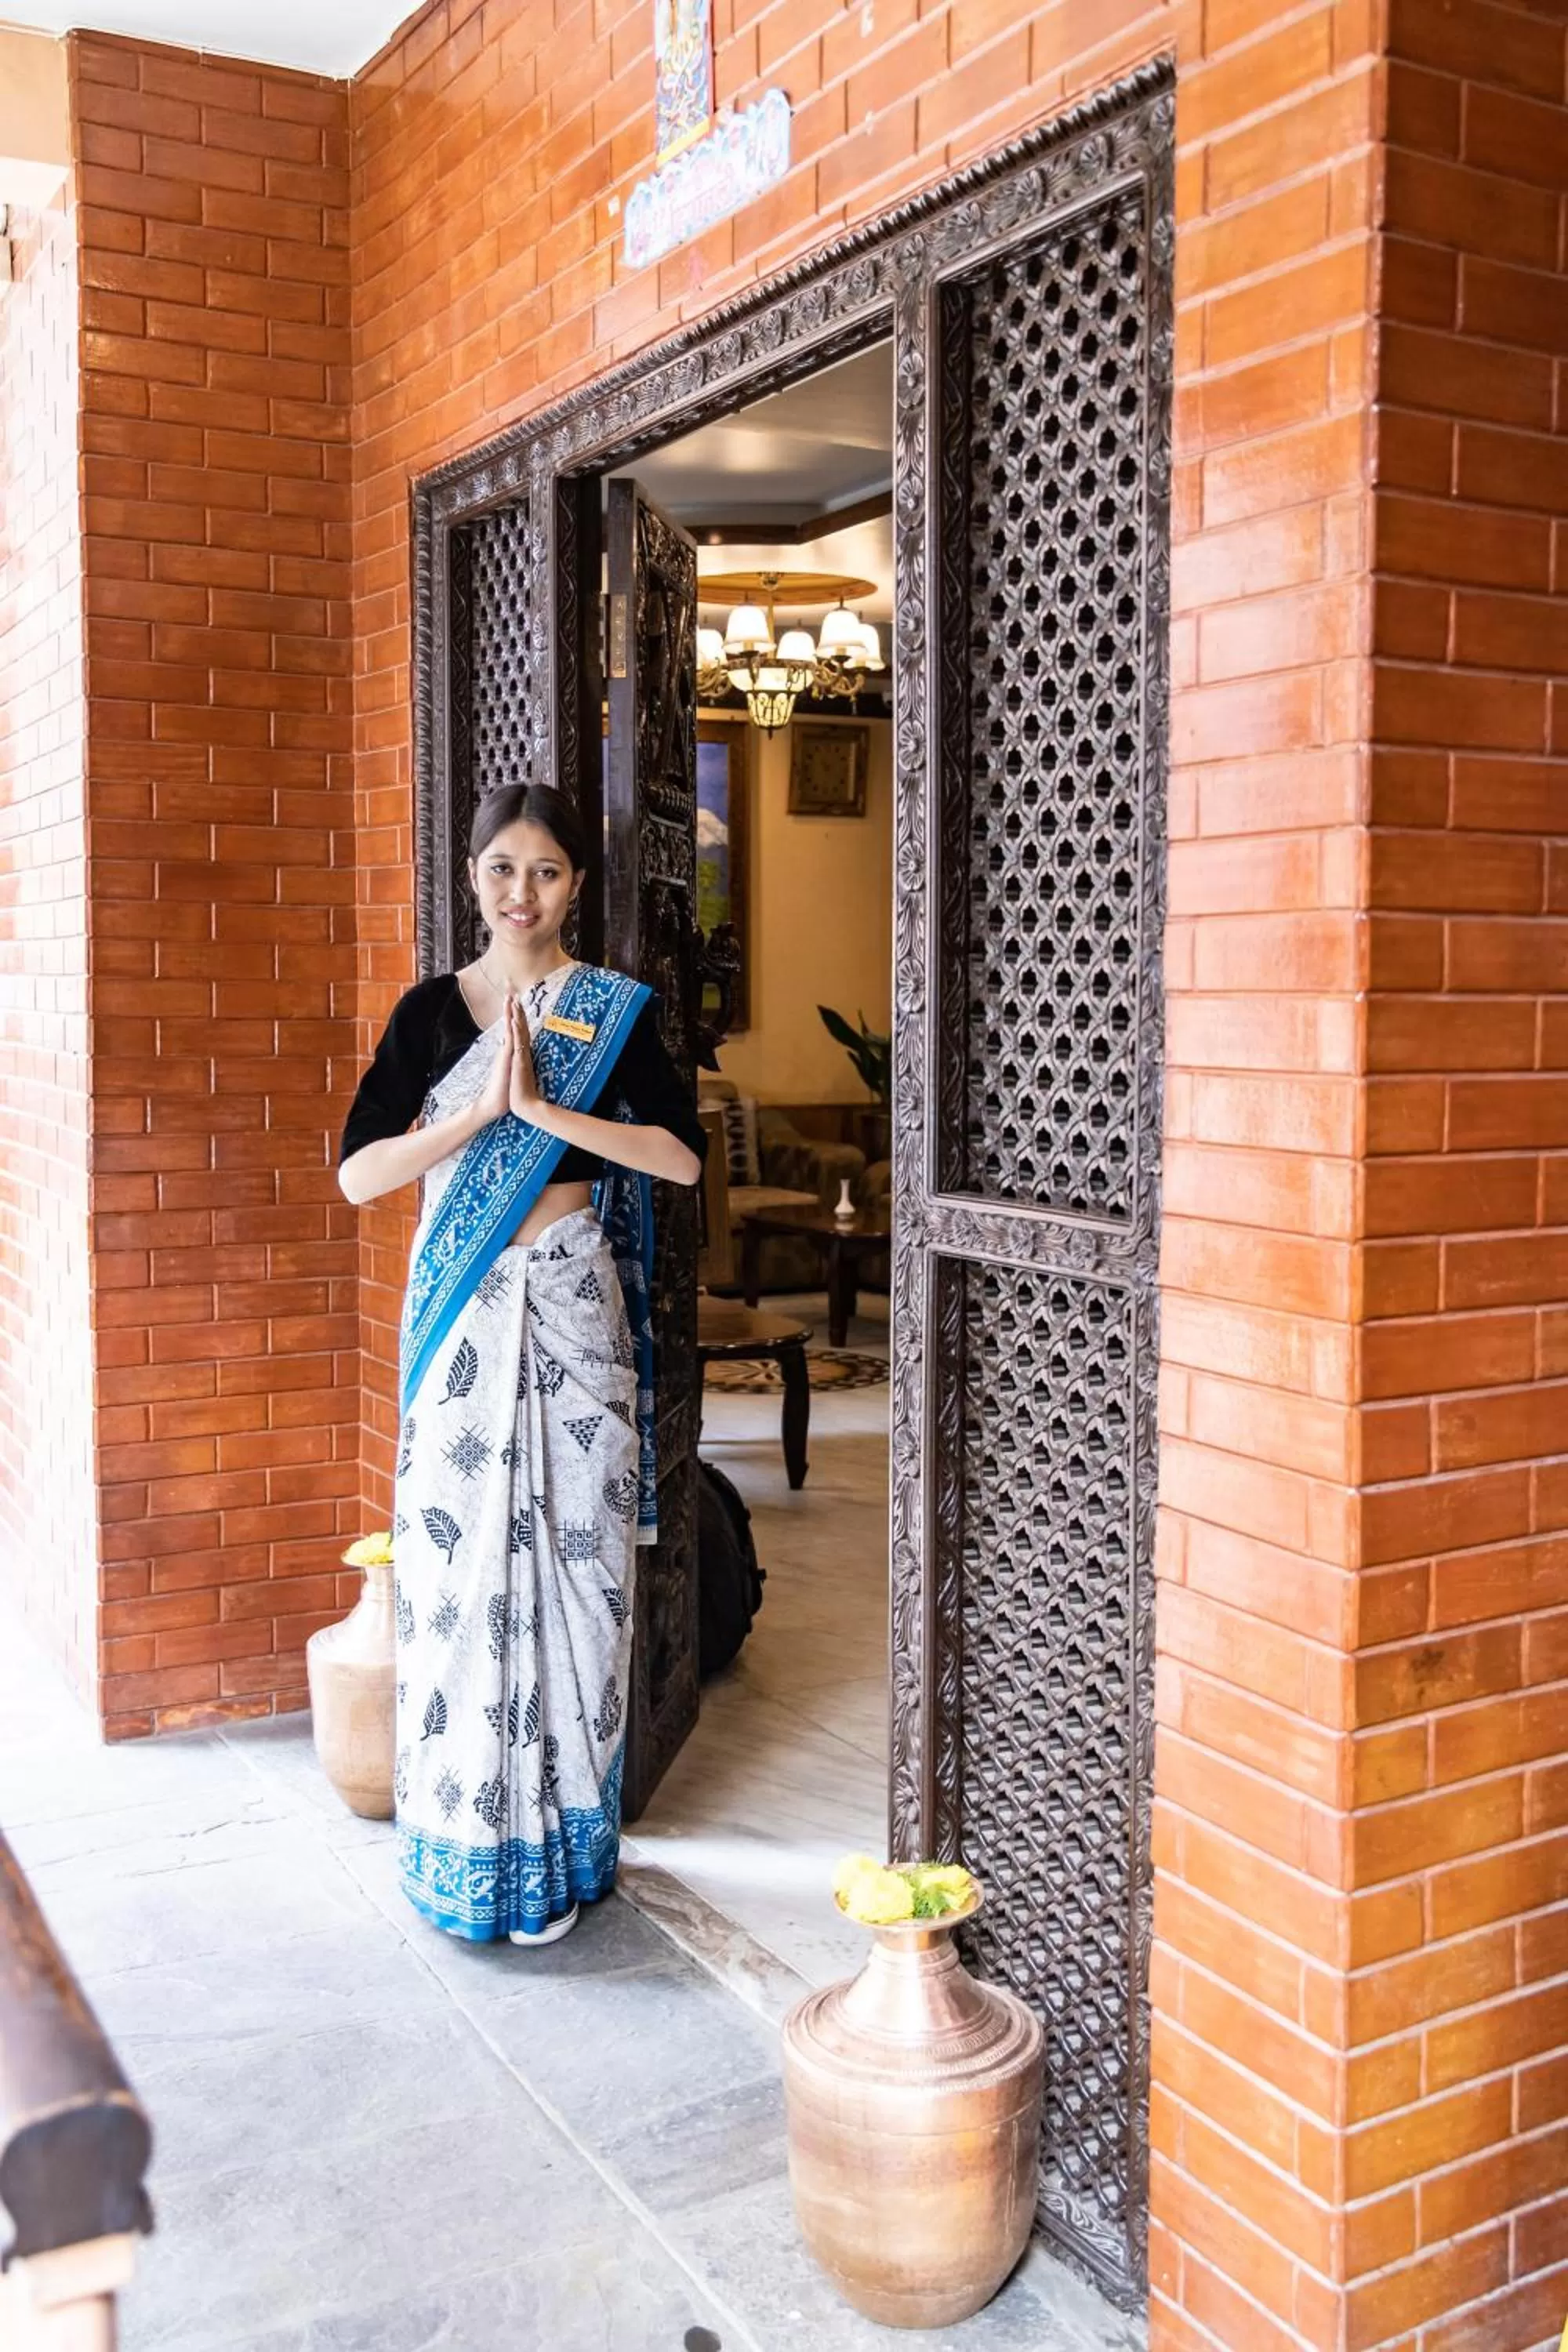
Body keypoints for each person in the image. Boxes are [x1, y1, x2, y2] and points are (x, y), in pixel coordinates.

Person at [338, 782, 706, 1946]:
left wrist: (549, 1112)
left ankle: (564, 1856)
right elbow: (359, 1175)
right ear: (473, 880)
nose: (523, 892)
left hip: (571, 1302)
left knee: (578, 1576)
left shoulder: (616, 1014)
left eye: (546, 871)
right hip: (465, 1319)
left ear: (576, 887)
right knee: (462, 1586)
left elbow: (681, 1165)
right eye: (502, 868)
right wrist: (475, 1115)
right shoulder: (429, 1015)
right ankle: (466, 1850)